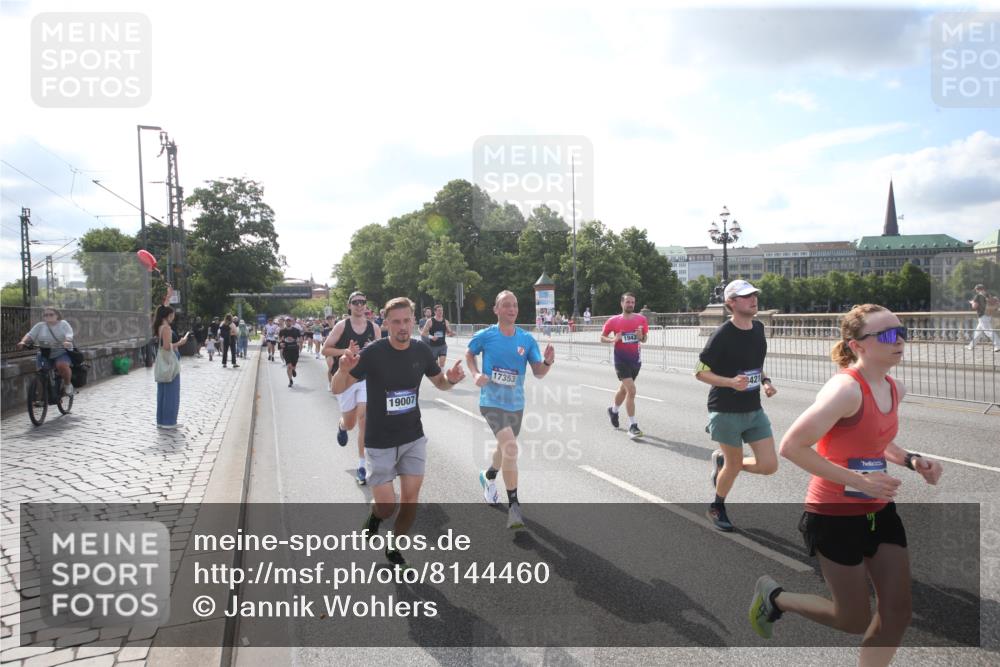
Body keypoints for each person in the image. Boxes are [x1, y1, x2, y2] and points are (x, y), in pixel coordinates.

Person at [748, 304, 943, 666]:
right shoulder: (845, 390)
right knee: (852, 619)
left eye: (902, 332)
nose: (898, 341)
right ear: (858, 346)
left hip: (879, 513)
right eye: (887, 335)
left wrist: (912, 460)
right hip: (834, 514)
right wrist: (859, 481)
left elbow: (874, 440)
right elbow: (792, 447)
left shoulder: (894, 387)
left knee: (897, 613)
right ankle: (776, 599)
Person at [332, 297, 465, 568]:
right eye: (396, 322)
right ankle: (375, 516)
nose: (402, 327)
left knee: (410, 499)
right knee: (386, 506)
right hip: (379, 441)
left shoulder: (422, 351)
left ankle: (394, 544)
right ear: (387, 323)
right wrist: (342, 371)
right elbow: (337, 388)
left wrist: (450, 379)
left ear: (414, 321)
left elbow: (439, 383)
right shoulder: (373, 353)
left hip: (412, 437)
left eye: (407, 320)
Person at [466, 291, 555, 529]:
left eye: (514, 305)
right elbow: (469, 353)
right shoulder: (486, 336)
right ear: (496, 309)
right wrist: (475, 374)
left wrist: (546, 363)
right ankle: (514, 506)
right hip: (491, 401)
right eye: (506, 305)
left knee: (504, 448)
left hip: (516, 403)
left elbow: (537, 372)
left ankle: (489, 476)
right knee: (511, 447)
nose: (512, 309)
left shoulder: (526, 340)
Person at [695, 280, 778, 532]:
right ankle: (716, 507)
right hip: (726, 410)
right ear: (731, 302)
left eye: (754, 295)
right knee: (734, 464)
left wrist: (765, 381)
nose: (753, 299)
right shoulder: (721, 334)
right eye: (745, 296)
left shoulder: (758, 328)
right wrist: (730, 382)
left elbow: (755, 363)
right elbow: (700, 372)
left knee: (769, 465)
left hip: (754, 409)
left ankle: (724, 465)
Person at [324, 291, 380, 484]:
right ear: (349, 306)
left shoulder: (374, 327)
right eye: (355, 302)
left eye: (362, 302)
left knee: (364, 420)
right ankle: (342, 425)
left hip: (365, 380)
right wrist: (345, 351)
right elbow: (325, 349)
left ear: (366, 305)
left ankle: (362, 466)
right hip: (346, 380)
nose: (359, 305)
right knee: (350, 424)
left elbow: (380, 354)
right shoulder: (342, 326)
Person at [601, 292, 649, 439]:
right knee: (632, 391)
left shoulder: (641, 319)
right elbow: (602, 338)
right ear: (621, 303)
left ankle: (613, 410)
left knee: (623, 390)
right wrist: (613, 339)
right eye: (627, 302)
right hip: (621, 360)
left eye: (632, 302)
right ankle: (632, 425)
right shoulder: (613, 321)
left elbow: (645, 339)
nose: (630, 304)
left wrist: (642, 337)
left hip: (635, 361)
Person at [16, 306, 76, 397]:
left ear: (57, 315)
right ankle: (42, 397)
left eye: (51, 314)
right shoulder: (40, 326)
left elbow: (69, 333)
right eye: (46, 315)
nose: (48, 316)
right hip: (45, 353)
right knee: (41, 374)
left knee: (61, 365)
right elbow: (30, 335)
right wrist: (23, 341)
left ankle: (68, 384)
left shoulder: (63, 324)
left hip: (61, 351)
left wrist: (67, 341)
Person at [152, 305, 191, 429]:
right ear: (168, 315)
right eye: (172, 314)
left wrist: (168, 295)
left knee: (162, 393)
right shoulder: (166, 328)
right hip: (170, 363)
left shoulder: (159, 326)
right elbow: (167, 347)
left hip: (163, 362)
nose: (174, 316)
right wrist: (181, 342)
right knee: (172, 393)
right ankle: (169, 421)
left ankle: (162, 420)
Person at [966, 283, 999, 352]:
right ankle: (971, 345)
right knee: (978, 332)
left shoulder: (977, 296)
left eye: (976, 290)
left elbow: (974, 306)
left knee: (988, 331)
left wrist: (972, 303)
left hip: (982, 316)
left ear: (978, 289)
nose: (976, 291)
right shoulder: (988, 295)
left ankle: (998, 345)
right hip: (988, 314)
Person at [420, 304, 454, 368]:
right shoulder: (430, 321)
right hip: (433, 346)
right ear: (435, 312)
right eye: (439, 310)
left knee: (442, 364)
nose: (441, 312)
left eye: (442, 310)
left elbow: (448, 332)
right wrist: (431, 337)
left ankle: (442, 377)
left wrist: (451, 334)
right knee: (435, 366)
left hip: (442, 346)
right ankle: (437, 375)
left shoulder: (445, 321)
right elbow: (423, 333)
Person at [278, 317, 301, 387]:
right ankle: (290, 380)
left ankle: (293, 370)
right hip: (286, 350)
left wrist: (298, 342)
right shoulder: (282, 331)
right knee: (289, 366)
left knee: (293, 365)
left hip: (295, 350)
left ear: (292, 322)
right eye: (287, 321)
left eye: (289, 321)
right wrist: (280, 343)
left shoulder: (296, 330)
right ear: (285, 322)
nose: (288, 322)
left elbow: (300, 339)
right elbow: (279, 340)